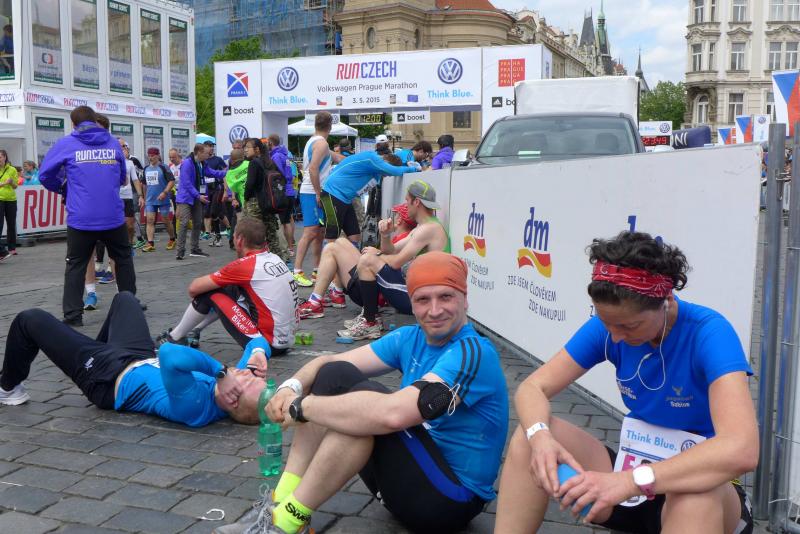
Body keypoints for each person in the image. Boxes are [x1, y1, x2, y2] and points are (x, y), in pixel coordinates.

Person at [220, 251, 508, 534]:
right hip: (410, 479)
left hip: (449, 502)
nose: (434, 310)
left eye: (446, 297)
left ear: (465, 299)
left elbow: (392, 415)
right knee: (335, 378)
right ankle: (279, 504)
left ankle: (285, 524)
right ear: (411, 302)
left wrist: (301, 407)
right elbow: (328, 364)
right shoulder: (410, 337)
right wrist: (290, 387)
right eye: (423, 299)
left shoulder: (474, 353)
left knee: (365, 410)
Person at [493, 231, 757, 534]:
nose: (616, 337)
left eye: (630, 326)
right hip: (630, 480)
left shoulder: (709, 332)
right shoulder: (609, 327)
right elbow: (532, 388)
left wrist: (631, 481)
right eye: (607, 324)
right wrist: (540, 438)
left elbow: (742, 449)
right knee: (530, 437)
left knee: (694, 497)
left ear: (666, 301)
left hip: (697, 493)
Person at [0, 291, 270, 427]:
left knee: (30, 319)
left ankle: (8, 387)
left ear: (232, 400)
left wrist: (221, 372)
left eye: (246, 380)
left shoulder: (196, 407)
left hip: (108, 377)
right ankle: (92, 348)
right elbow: (257, 342)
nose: (244, 373)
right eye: (253, 375)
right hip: (137, 355)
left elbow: (170, 353)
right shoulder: (232, 385)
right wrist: (258, 353)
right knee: (125, 299)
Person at [298, 180, 447, 339]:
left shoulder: (429, 229)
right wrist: (385, 235)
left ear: (416, 202)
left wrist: (376, 255)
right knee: (343, 245)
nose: (406, 205)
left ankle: (370, 322)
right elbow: (391, 250)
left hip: (419, 296)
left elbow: (396, 261)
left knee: (368, 260)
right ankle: (364, 315)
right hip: (414, 290)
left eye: (407, 201)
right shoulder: (423, 227)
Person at [39, 105, 136, 327]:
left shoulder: (66, 143)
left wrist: (63, 187)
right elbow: (122, 178)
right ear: (94, 120)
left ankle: (73, 316)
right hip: (112, 215)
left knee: (76, 265)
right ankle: (129, 310)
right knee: (123, 259)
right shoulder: (113, 143)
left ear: (74, 124)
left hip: (81, 217)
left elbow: (45, 174)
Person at [157, 217, 299, 353]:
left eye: (233, 237)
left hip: (265, 345)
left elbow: (193, 288)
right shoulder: (275, 258)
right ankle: (194, 330)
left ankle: (174, 337)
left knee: (210, 292)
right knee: (231, 288)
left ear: (240, 240)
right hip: (286, 340)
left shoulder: (246, 265)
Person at [319, 151, 419, 244]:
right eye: (386, 173)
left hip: (345, 199)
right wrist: (414, 169)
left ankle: (350, 256)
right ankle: (327, 256)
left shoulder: (376, 172)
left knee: (355, 236)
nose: (387, 175)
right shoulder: (372, 159)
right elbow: (395, 171)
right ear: (385, 163)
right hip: (331, 194)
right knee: (332, 235)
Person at [175, 143, 227, 260]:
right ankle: (180, 251)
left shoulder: (202, 163)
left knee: (198, 222)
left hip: (197, 197)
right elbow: (187, 183)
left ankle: (194, 249)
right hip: (186, 198)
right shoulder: (187, 163)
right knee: (184, 223)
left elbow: (212, 172)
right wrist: (198, 196)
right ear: (199, 152)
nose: (208, 155)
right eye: (206, 153)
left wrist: (227, 172)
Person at [242, 137, 288, 262]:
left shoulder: (254, 163)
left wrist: (246, 198)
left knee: (253, 234)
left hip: (255, 203)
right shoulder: (270, 162)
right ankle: (279, 263)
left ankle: (254, 263)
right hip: (269, 204)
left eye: (247, 147)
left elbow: (250, 184)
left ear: (257, 149)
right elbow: (282, 178)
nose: (245, 150)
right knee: (271, 236)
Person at [141, 148, 176, 252]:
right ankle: (150, 243)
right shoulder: (146, 169)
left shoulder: (163, 167)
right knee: (150, 220)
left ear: (158, 156)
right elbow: (144, 184)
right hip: (150, 200)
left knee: (165, 220)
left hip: (163, 199)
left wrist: (165, 192)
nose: (150, 158)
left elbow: (171, 181)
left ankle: (172, 239)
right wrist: (144, 197)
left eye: (152, 156)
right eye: (149, 156)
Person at [267, 135, 297, 260]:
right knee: (287, 221)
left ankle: (286, 249)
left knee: (282, 222)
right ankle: (290, 248)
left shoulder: (276, 156)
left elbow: (277, 175)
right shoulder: (285, 155)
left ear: (270, 142)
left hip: (283, 192)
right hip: (290, 191)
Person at [204, 141, 228, 246]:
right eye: (209, 146)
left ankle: (226, 230)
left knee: (214, 212)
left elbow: (225, 173)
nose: (211, 148)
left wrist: (226, 190)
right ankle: (215, 236)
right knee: (209, 213)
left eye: (212, 146)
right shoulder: (203, 160)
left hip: (217, 188)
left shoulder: (218, 159)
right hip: (206, 189)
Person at [225, 148, 249, 249]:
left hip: (241, 200)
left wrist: (234, 198)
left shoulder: (230, 173)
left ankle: (238, 244)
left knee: (240, 223)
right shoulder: (249, 164)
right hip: (251, 199)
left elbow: (233, 188)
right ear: (243, 157)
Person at [0, 149, 19, 258]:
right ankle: (1, 250)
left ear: (5, 157)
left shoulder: (12, 169)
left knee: (11, 224)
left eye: (0, 157)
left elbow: (16, 186)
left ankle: (12, 248)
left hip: (11, 199)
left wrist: (11, 182)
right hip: (0, 199)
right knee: (0, 224)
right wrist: (4, 183)